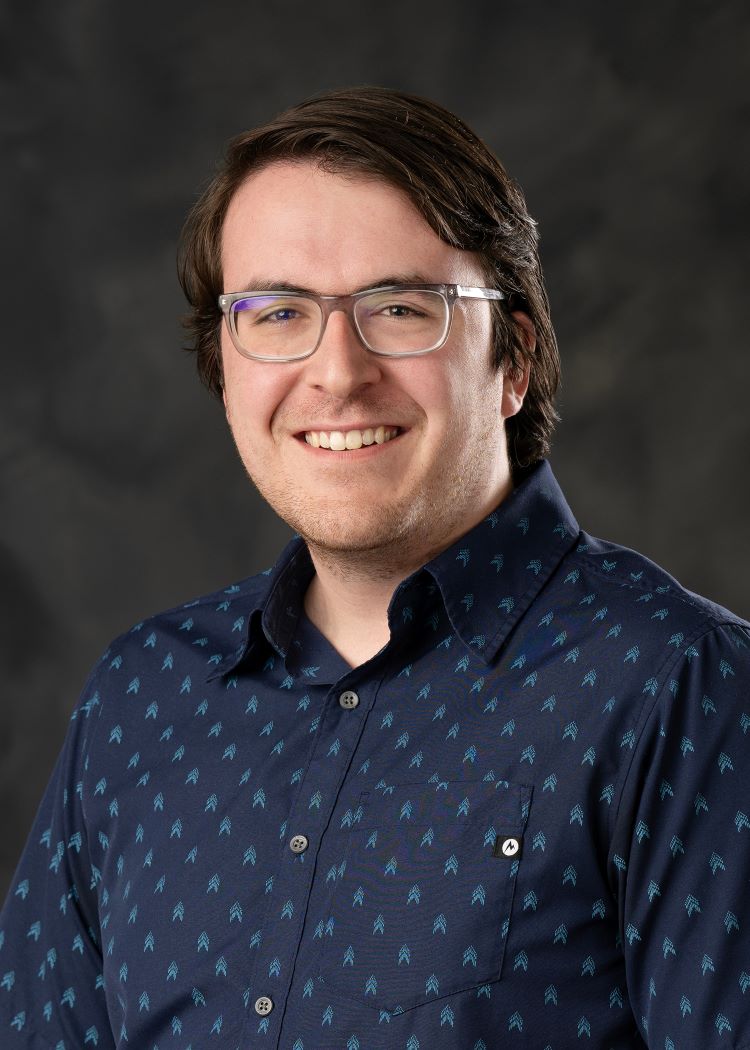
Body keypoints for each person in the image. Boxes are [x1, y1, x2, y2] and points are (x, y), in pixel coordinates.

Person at [0, 87, 748, 1050]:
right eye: (277, 313)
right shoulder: (141, 697)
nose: (338, 372)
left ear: (513, 358)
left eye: (400, 307)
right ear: (224, 363)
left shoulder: (678, 685)